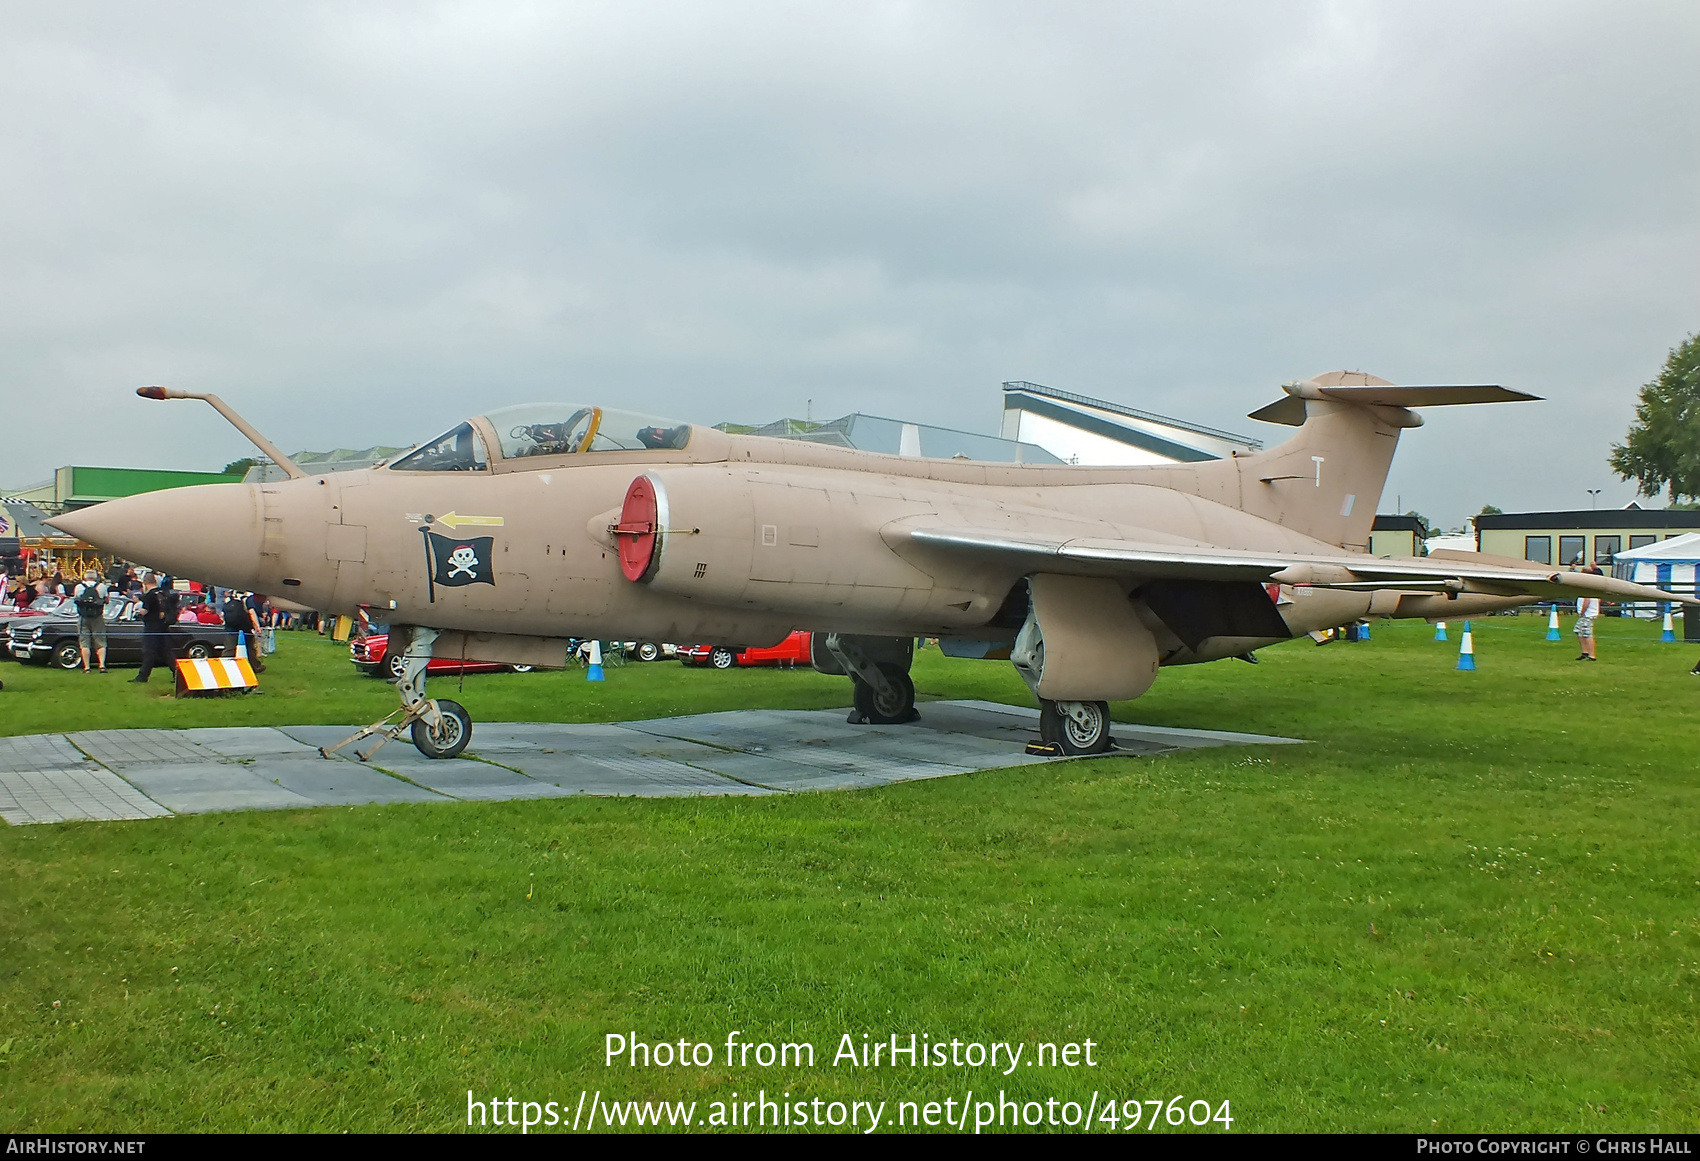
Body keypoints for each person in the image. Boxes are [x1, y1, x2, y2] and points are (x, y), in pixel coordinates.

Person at [132, 573, 174, 683]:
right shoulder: (164, 593)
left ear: (145, 583)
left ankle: (142, 676)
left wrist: (137, 609)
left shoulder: (149, 596)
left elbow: (145, 611)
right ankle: (178, 673)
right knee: (166, 651)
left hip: (152, 626)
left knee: (149, 651)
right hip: (163, 624)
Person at [73, 569, 109, 673]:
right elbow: (107, 600)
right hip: (97, 616)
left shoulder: (79, 587)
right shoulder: (101, 587)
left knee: (84, 642)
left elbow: (75, 599)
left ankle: (87, 667)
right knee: (100, 640)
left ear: (85, 577)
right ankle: (102, 665)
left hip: (83, 617)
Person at [1574, 569, 1601, 662]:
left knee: (1587, 634)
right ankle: (1585, 652)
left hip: (1587, 614)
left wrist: (1582, 611)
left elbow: (1587, 600)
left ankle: (1592, 655)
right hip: (1587, 614)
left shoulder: (1587, 587)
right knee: (1579, 631)